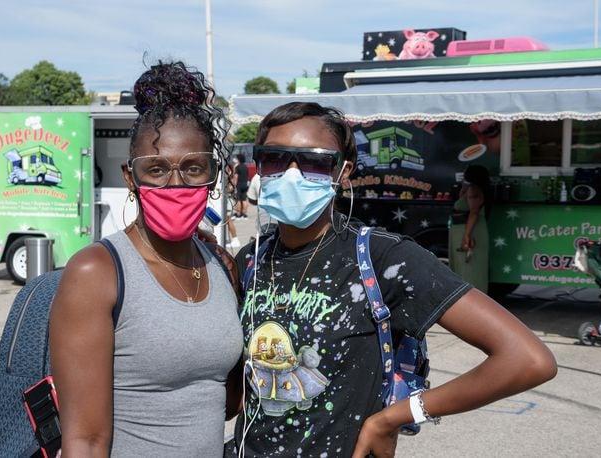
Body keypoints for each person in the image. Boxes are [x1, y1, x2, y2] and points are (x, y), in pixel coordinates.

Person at [229, 102, 556, 457]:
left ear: (342, 172)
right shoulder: (252, 260)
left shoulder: (383, 258)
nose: (292, 174)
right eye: (275, 159)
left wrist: (395, 416)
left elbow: (527, 359)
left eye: (314, 162)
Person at [49, 61, 244, 457]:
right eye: (155, 169)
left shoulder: (221, 265)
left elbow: (226, 402)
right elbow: (84, 441)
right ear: (130, 177)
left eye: (193, 168)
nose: (175, 183)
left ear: (213, 175)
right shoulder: (96, 272)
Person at [449, 164, 490, 293]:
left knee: (470, 267)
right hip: (464, 228)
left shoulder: (473, 190)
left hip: (469, 229)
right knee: (465, 265)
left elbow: (474, 212)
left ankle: (474, 296)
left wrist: (467, 235)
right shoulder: (470, 189)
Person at [232, 154, 250, 219]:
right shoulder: (246, 167)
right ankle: (244, 214)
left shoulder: (237, 167)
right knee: (244, 199)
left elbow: (236, 177)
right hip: (245, 184)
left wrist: (234, 185)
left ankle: (238, 214)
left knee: (238, 200)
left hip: (239, 185)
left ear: (238, 159)